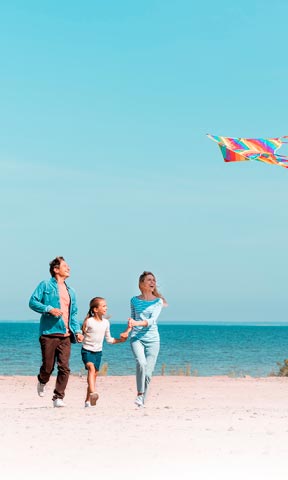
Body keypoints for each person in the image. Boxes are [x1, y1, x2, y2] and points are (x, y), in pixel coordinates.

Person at [29, 256, 83, 407]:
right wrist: (49, 309)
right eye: (65, 266)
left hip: (66, 335)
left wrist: (77, 330)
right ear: (56, 269)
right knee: (48, 367)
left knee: (64, 367)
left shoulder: (71, 291)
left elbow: (73, 314)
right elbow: (32, 302)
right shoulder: (45, 285)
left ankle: (58, 397)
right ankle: (42, 380)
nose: (69, 268)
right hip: (48, 333)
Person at [122, 271, 168, 408]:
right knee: (141, 363)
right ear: (142, 283)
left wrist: (136, 323)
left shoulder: (158, 301)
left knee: (148, 373)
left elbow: (152, 320)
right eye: (149, 280)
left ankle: (142, 400)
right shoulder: (134, 300)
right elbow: (132, 318)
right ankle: (140, 394)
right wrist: (127, 331)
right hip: (137, 338)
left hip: (153, 340)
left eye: (153, 280)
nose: (152, 282)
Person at [81, 296, 127, 408]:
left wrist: (121, 340)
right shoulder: (89, 321)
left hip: (98, 353)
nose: (106, 308)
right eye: (103, 306)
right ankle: (93, 393)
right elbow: (81, 335)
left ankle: (88, 401)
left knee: (93, 376)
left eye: (106, 306)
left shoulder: (106, 323)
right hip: (87, 351)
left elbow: (109, 340)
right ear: (95, 309)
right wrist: (79, 336)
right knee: (91, 369)